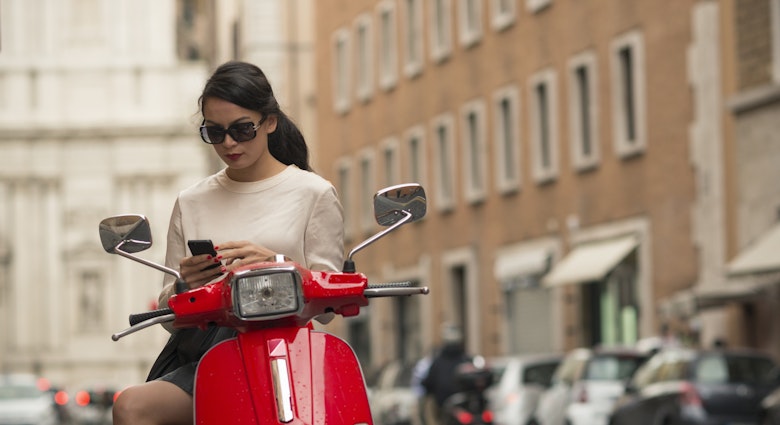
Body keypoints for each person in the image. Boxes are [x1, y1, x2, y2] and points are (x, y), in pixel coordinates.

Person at [112, 60, 345, 425]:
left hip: (289, 352)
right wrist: (185, 286)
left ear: (270, 122)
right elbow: (166, 315)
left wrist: (277, 262)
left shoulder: (313, 193)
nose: (229, 143)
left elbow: (330, 305)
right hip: (210, 354)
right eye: (215, 132)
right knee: (130, 407)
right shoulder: (192, 200)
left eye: (242, 129)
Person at [422, 324, 472, 423]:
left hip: (444, 407)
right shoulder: (466, 359)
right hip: (464, 406)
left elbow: (427, 383)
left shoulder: (438, 362)